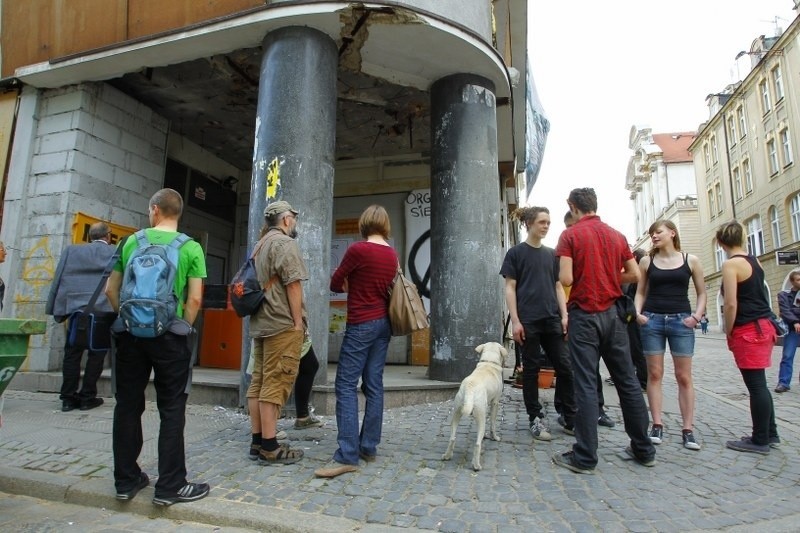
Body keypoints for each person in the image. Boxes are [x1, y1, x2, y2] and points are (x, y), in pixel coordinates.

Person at [105, 188, 210, 505]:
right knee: (172, 409)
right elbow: (194, 299)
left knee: (127, 405)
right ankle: (170, 487)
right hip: (170, 337)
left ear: (154, 210)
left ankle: (126, 481)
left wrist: (129, 319)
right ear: (177, 214)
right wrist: (183, 327)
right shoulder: (191, 247)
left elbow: (112, 289)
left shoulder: (130, 242)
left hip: (131, 335)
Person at [553, 188, 655, 474]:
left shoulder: (570, 236)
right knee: (627, 382)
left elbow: (566, 277)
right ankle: (643, 448)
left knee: (585, 383)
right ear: (595, 206)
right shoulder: (616, 235)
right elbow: (634, 274)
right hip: (614, 316)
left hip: (585, 315)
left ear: (572, 206)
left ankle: (585, 456)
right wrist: (611, 276)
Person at [316, 205, 397, 478]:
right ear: (385, 225)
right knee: (374, 385)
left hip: (361, 323)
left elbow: (335, 282)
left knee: (345, 385)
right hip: (383, 324)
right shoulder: (391, 254)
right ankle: (368, 446)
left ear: (364, 224)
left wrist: (351, 282)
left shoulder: (358, 250)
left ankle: (347, 455)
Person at [501, 206, 576, 441]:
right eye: (542, 222)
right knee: (531, 371)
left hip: (552, 318)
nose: (546, 226)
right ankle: (535, 417)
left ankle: (569, 416)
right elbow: (510, 287)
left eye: (548, 222)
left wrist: (564, 315)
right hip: (528, 320)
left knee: (565, 367)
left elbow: (557, 287)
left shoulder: (551, 254)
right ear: (529, 224)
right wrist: (515, 321)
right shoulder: (515, 253)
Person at [634, 220, 706, 451]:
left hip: (681, 321)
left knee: (683, 376)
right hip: (652, 320)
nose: (654, 236)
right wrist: (637, 313)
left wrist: (696, 316)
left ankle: (687, 429)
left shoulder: (690, 260)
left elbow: (702, 293)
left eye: (658, 232)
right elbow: (640, 292)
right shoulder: (647, 261)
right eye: (651, 233)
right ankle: (657, 424)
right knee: (654, 374)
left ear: (672, 233)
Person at [246, 200, 308, 466]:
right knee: (276, 381)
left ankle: (258, 441)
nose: (294, 222)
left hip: (261, 323)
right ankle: (271, 448)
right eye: (293, 217)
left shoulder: (259, 244)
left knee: (258, 382)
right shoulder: (284, 244)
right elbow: (293, 285)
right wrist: (298, 322)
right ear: (285, 220)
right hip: (281, 322)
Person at [716, 221, 780, 454]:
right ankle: (770, 433)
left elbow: (731, 303)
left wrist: (729, 329)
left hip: (749, 327)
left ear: (721, 242)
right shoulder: (754, 260)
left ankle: (760, 438)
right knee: (760, 384)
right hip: (764, 325)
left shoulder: (731, 265)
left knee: (756, 386)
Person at [45, 222, 116, 412]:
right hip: (102, 312)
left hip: (76, 313)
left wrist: (55, 308)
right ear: (108, 236)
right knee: (97, 356)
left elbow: (58, 279)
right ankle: (87, 397)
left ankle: (67, 398)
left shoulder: (71, 251)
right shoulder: (114, 253)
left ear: (90, 236)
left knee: (71, 355)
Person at [774, 270, 800, 393]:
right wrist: (795, 321)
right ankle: (783, 383)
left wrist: (794, 311)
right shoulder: (784, 295)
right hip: (792, 329)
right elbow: (785, 311)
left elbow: (791, 311)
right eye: (798, 280)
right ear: (792, 282)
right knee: (787, 356)